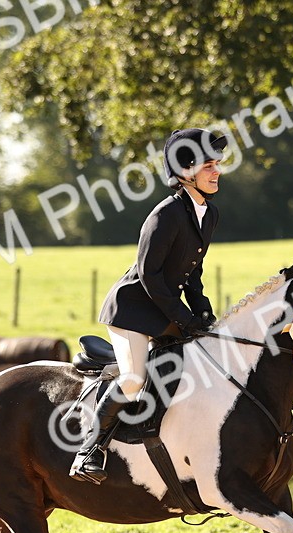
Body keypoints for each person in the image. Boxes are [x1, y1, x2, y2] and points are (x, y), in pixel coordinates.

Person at [69, 128, 226, 484]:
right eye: (208, 166)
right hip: (131, 311)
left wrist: (202, 312)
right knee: (133, 378)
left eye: (217, 164)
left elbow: (193, 272)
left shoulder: (208, 213)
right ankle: (88, 450)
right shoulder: (166, 214)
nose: (216, 172)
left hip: (162, 310)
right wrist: (183, 318)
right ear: (186, 172)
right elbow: (150, 276)